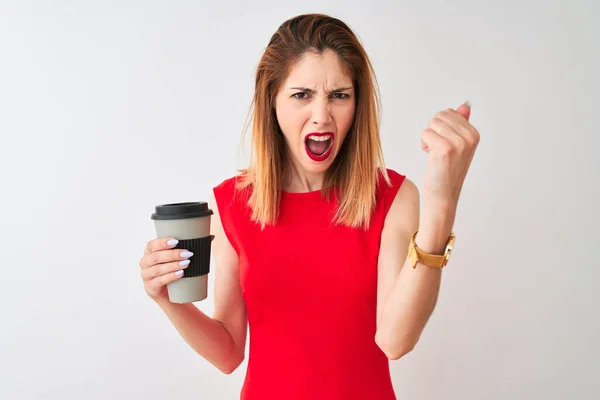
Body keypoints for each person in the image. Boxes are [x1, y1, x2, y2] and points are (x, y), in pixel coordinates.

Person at [138, 13, 480, 400]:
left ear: (357, 103)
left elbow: (395, 341)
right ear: (272, 100)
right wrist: (168, 302)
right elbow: (229, 353)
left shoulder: (393, 197)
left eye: (339, 95)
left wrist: (443, 203)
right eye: (302, 95)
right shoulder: (231, 203)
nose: (322, 116)